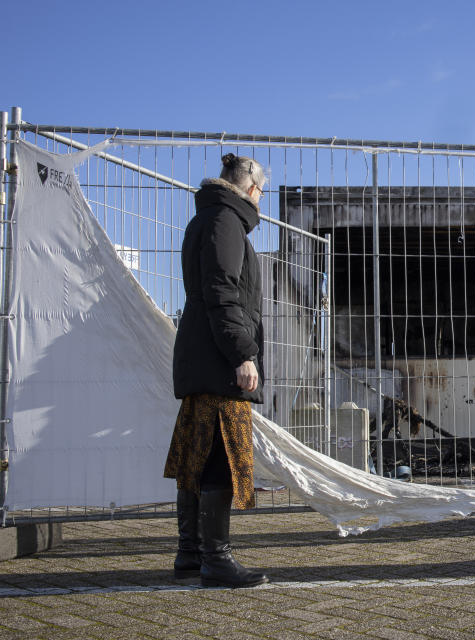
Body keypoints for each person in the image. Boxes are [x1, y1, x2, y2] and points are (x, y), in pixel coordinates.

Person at [164, 153, 269, 587]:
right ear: (250, 188)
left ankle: (190, 554)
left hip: (202, 355)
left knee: (197, 454)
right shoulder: (225, 221)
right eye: (262, 192)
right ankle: (216, 559)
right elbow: (221, 292)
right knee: (219, 458)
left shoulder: (207, 218)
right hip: (218, 359)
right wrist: (243, 352)